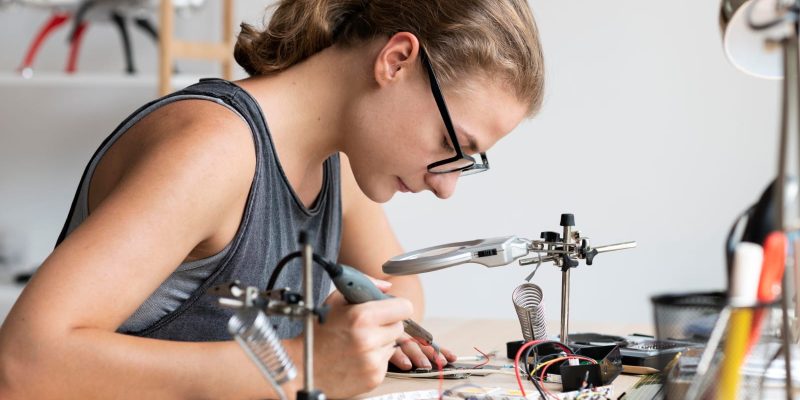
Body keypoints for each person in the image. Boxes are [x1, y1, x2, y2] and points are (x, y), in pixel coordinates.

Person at [0, 0, 544, 398]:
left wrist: (371, 335)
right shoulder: (213, 150)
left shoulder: (337, 163)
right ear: (396, 60)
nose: (445, 187)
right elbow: (23, 366)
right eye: (450, 144)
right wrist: (302, 366)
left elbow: (397, 285)